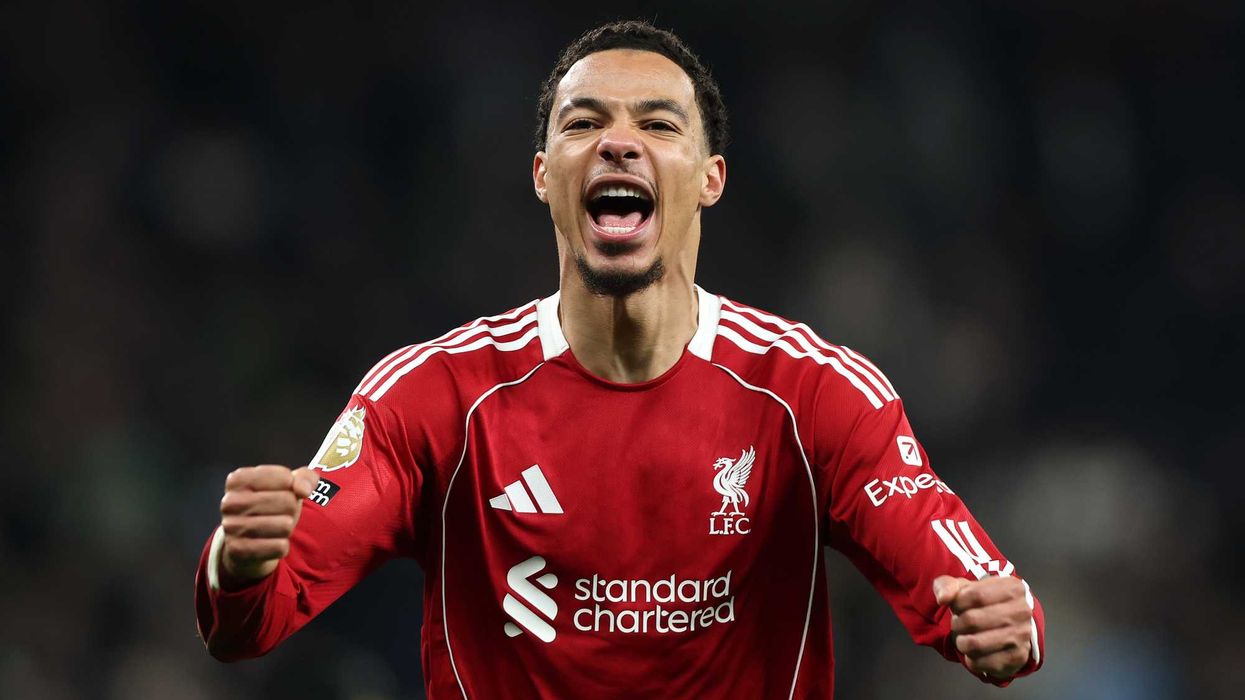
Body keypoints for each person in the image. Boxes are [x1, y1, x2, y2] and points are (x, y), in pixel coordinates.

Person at [194, 20, 1045, 698]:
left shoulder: (812, 395)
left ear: (710, 177)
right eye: (584, 122)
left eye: (657, 123)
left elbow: (976, 591)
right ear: (541, 173)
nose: (618, 142)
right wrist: (239, 561)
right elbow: (249, 623)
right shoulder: (435, 397)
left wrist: (1010, 628)